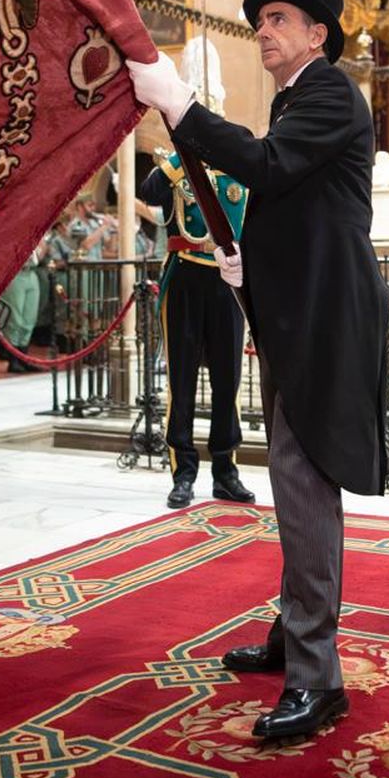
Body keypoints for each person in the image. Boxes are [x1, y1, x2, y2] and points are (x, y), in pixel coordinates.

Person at [127, 0, 389, 740]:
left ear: (318, 34)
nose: (266, 31)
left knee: (304, 485)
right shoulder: (298, 99)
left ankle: (318, 679)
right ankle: (294, 635)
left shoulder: (330, 92)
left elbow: (270, 168)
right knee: (291, 481)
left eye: (280, 19)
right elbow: (294, 201)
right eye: (263, 19)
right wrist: (251, 254)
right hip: (295, 307)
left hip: (321, 318)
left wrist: (182, 107)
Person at [138, 145, 255, 510]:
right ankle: (183, 473)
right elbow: (149, 192)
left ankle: (225, 472)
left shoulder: (239, 175)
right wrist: (179, 156)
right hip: (185, 275)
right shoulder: (179, 170)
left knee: (227, 381)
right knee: (182, 380)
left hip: (227, 283)